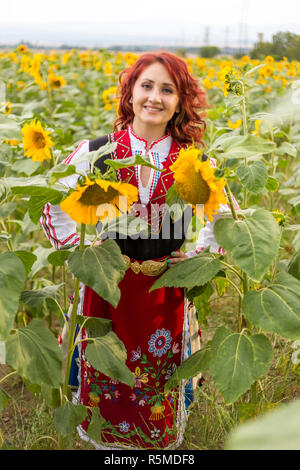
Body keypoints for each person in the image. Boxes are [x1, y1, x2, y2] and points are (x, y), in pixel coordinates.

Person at [40, 51, 232, 450]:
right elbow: (53, 204)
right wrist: (84, 251)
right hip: (106, 289)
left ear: (180, 102)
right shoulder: (98, 152)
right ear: (130, 94)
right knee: (106, 376)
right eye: (147, 86)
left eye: (168, 90)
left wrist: (202, 258)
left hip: (164, 292)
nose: (155, 97)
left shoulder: (192, 160)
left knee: (157, 385)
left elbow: (226, 216)